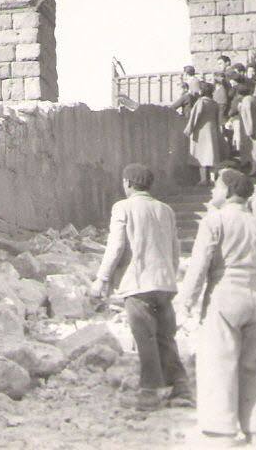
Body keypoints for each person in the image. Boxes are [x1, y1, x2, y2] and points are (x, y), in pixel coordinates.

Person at [177, 169, 256, 446]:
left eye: (216, 186)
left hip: (225, 295)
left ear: (228, 191)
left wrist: (187, 301)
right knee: (255, 365)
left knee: (218, 362)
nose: (212, 191)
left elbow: (200, 265)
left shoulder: (214, 220)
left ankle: (221, 431)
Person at [90, 164, 193, 411]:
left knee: (145, 337)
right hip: (164, 283)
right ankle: (181, 388)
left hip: (137, 284)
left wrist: (101, 279)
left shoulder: (122, 207)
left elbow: (116, 246)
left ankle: (149, 392)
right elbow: (175, 248)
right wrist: (170, 276)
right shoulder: (165, 209)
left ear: (127, 183)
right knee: (166, 337)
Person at [185, 82, 224, 185]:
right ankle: (211, 179)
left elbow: (195, 117)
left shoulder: (201, 102)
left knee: (201, 155)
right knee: (210, 155)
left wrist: (188, 130)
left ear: (202, 91)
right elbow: (217, 119)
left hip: (201, 132)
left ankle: (204, 179)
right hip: (212, 130)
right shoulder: (214, 103)